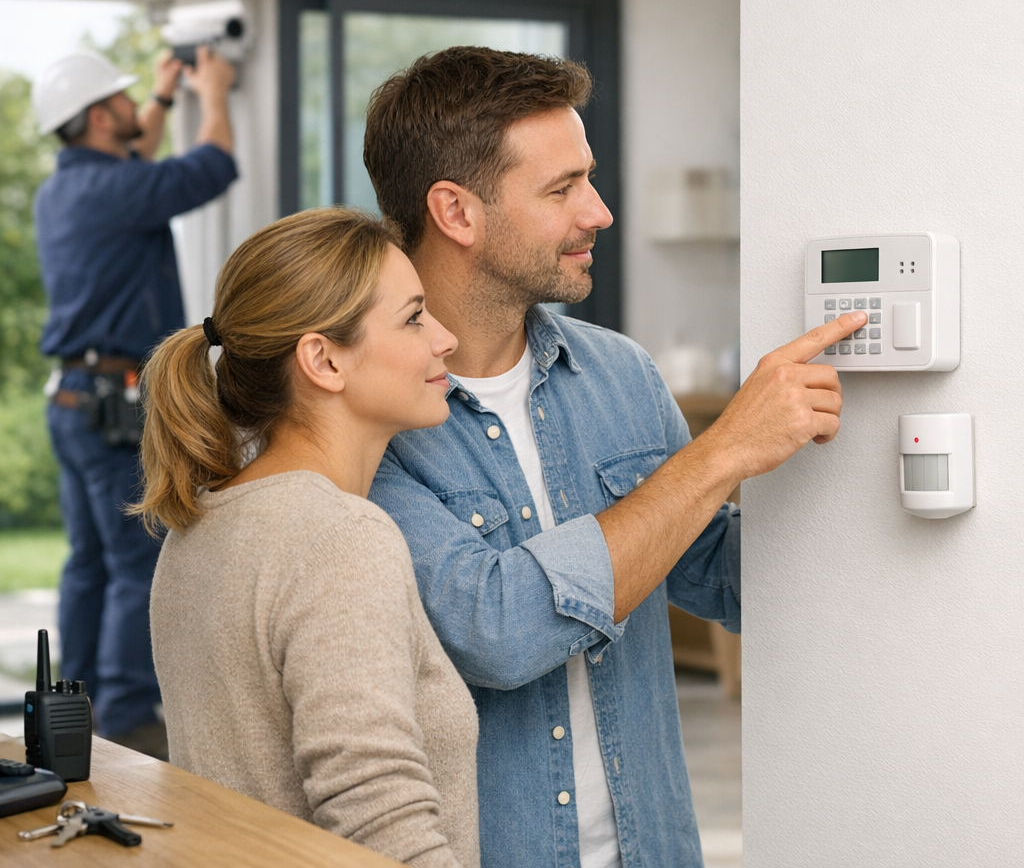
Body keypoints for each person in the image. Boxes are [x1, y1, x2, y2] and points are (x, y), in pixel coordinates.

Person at [363, 47, 867, 868]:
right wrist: (723, 450)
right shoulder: (369, 415)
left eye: (588, 180)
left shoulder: (620, 373)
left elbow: (719, 576)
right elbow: (497, 633)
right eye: (561, 189)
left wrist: (861, 454)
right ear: (455, 211)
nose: (598, 212)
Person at [137, 207, 479, 868]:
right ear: (323, 360)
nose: (446, 339)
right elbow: (380, 818)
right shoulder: (340, 537)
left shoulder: (200, 528)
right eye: (413, 318)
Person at [31, 45, 238, 757]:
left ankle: (74, 705)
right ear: (97, 116)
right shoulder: (114, 190)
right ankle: (124, 718)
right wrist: (214, 92)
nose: (133, 106)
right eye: (121, 98)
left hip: (74, 400)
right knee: (132, 559)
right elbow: (212, 166)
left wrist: (163, 93)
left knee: (88, 561)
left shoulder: (66, 190)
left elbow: (135, 154)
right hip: (110, 406)